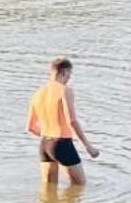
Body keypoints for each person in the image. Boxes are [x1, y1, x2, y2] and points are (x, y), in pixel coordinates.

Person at [27, 57, 100, 187]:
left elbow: (30, 127)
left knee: (48, 191)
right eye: (70, 74)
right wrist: (88, 147)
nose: (69, 78)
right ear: (64, 71)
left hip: (45, 145)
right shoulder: (65, 91)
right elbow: (71, 121)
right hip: (62, 145)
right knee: (80, 187)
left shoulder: (37, 94)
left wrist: (50, 140)